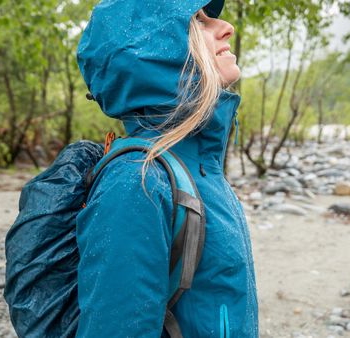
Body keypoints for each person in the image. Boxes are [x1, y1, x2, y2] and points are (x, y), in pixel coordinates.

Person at [75, 0, 258, 336]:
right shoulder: (137, 181)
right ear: (151, 54)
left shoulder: (199, 164)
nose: (225, 27)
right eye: (198, 22)